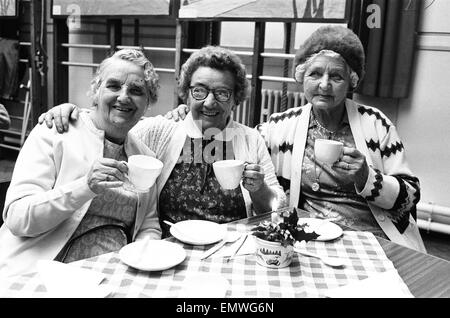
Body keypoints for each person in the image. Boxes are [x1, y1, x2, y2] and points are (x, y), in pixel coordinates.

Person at [165, 26, 426, 252]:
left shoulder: (375, 123)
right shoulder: (281, 126)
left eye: (336, 76)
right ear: (302, 78)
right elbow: (242, 137)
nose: (324, 85)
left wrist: (367, 178)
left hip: (373, 237)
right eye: (315, 74)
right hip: (307, 237)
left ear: (351, 81)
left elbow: (411, 194)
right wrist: (187, 113)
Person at [37, 46, 287, 238]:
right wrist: (71, 112)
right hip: (170, 249)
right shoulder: (160, 131)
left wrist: (259, 189)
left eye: (222, 93)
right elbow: (115, 120)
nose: (209, 102)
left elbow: (277, 207)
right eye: (199, 91)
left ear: (236, 99)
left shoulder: (250, 139)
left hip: (233, 248)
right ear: (186, 94)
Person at [0, 49, 162, 277]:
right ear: (96, 92)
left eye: (136, 91)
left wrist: (144, 255)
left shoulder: (145, 157)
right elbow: (18, 219)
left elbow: (149, 224)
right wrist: (84, 187)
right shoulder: (55, 131)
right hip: (41, 271)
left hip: (113, 274)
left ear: (148, 103)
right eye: (113, 86)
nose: (124, 96)